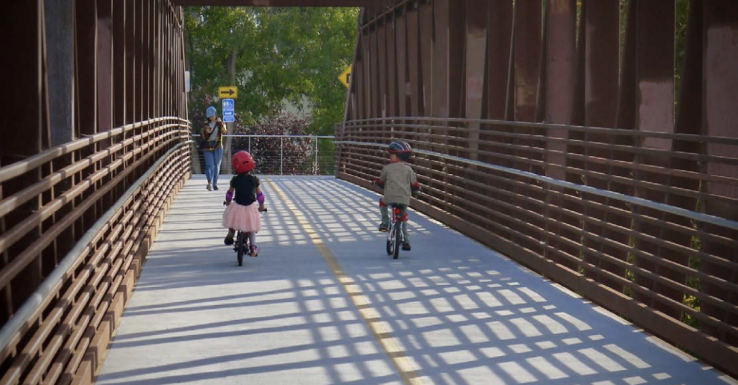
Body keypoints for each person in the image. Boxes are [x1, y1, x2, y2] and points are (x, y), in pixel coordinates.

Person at [374, 141, 421, 251]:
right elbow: (414, 184)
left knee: (382, 201)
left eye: (391, 154)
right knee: (403, 218)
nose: (390, 156)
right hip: (404, 198)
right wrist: (416, 190)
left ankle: (385, 222)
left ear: (395, 156)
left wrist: (377, 183)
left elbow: (381, 182)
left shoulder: (387, 168)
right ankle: (406, 241)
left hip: (389, 197)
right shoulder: (409, 169)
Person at [222, 151, 266, 256]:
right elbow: (260, 195)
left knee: (232, 220)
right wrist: (262, 206)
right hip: (250, 207)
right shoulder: (255, 180)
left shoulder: (235, 180)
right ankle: (253, 247)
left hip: (237, 206)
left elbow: (229, 193)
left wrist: (228, 202)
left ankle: (231, 234)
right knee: (252, 226)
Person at [200, 106, 227, 191]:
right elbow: (202, 135)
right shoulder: (205, 124)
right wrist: (206, 131)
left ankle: (215, 183)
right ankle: (209, 182)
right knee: (209, 165)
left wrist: (221, 123)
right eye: (209, 116)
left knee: (216, 165)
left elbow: (224, 131)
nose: (211, 117)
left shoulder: (220, 123)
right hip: (207, 146)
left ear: (215, 114)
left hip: (218, 145)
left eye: (212, 115)